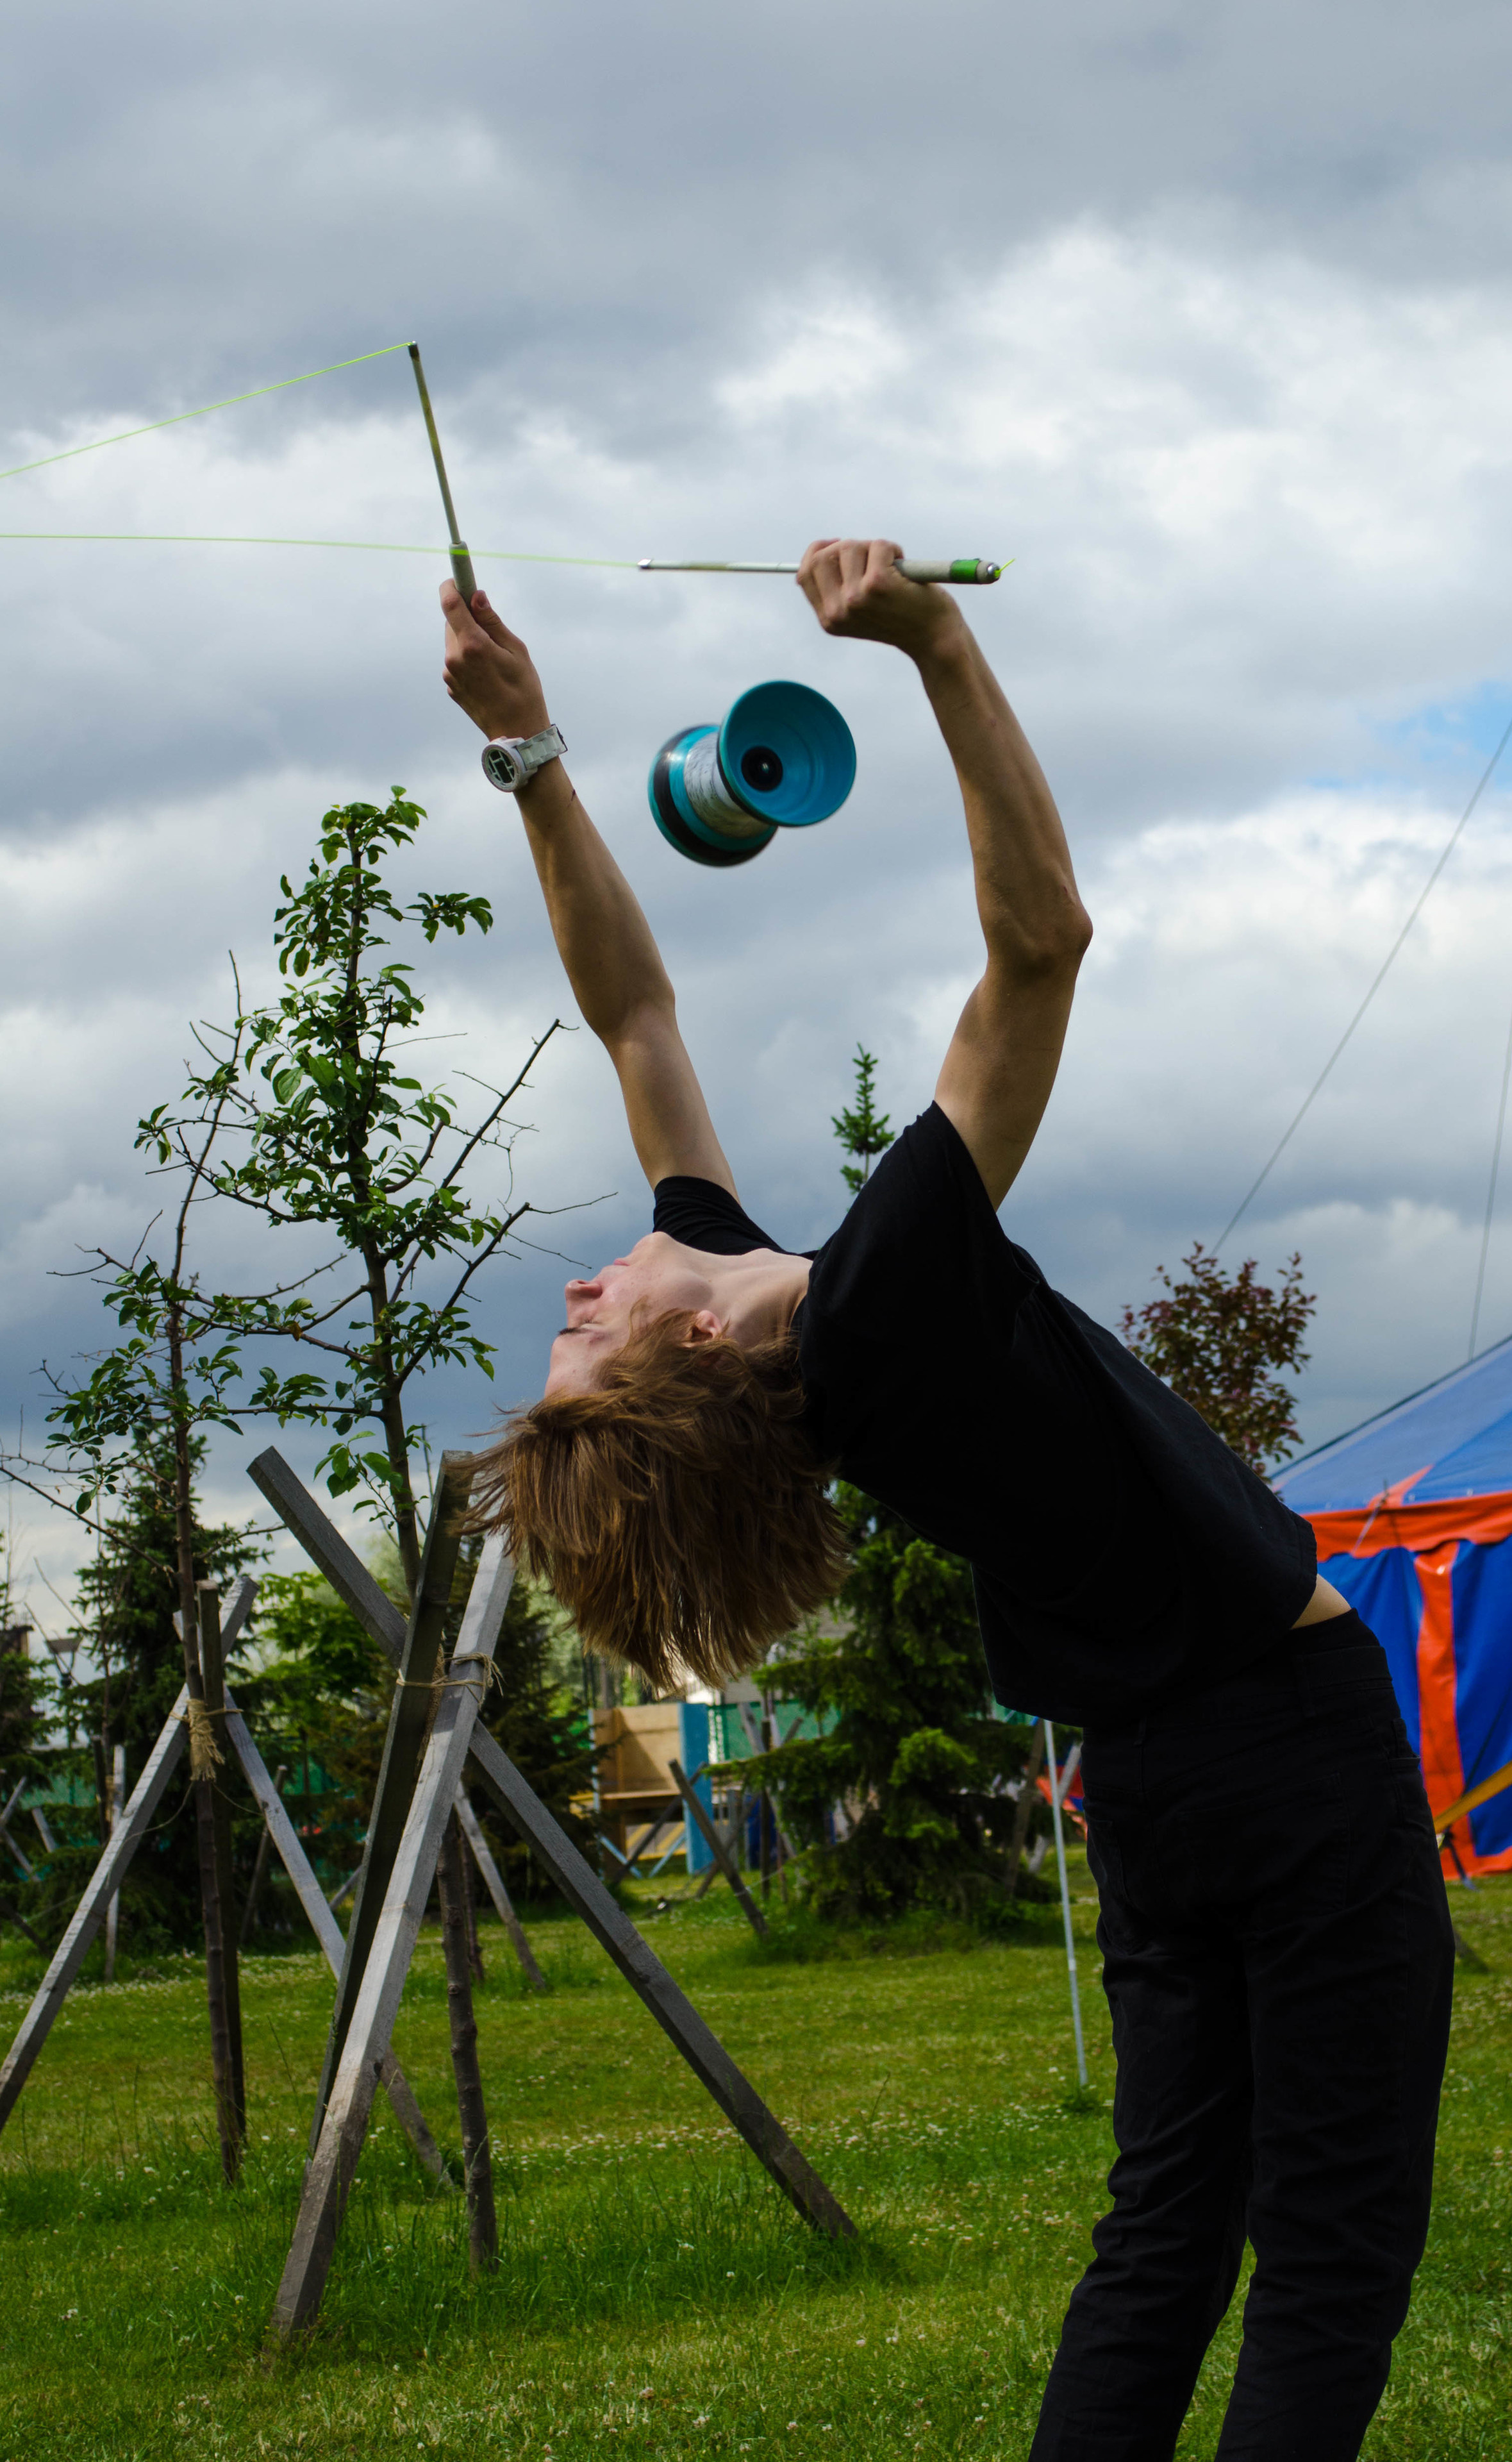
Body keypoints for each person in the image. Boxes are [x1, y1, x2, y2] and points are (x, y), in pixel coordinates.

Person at [439, 539, 1453, 2462]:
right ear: (698, 1364)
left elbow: (637, 1022)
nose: (579, 1301)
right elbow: (1045, 944)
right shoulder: (883, 1301)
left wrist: (534, 752)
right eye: (591, 1341)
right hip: (1295, 1760)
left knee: (1164, 2241)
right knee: (1327, 2258)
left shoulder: (794, 1304)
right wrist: (942, 646)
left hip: (1154, 1786)